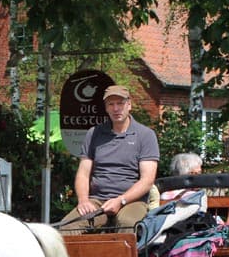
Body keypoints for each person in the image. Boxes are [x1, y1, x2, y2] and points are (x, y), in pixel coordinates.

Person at [58, 84, 159, 232]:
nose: (116, 108)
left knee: (127, 222)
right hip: (98, 200)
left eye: (120, 103)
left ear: (129, 105)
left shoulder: (145, 135)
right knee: (66, 227)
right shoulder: (94, 133)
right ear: (106, 108)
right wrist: (83, 200)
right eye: (111, 104)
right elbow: (83, 173)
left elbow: (147, 180)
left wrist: (121, 200)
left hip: (132, 201)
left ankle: (127, 256)